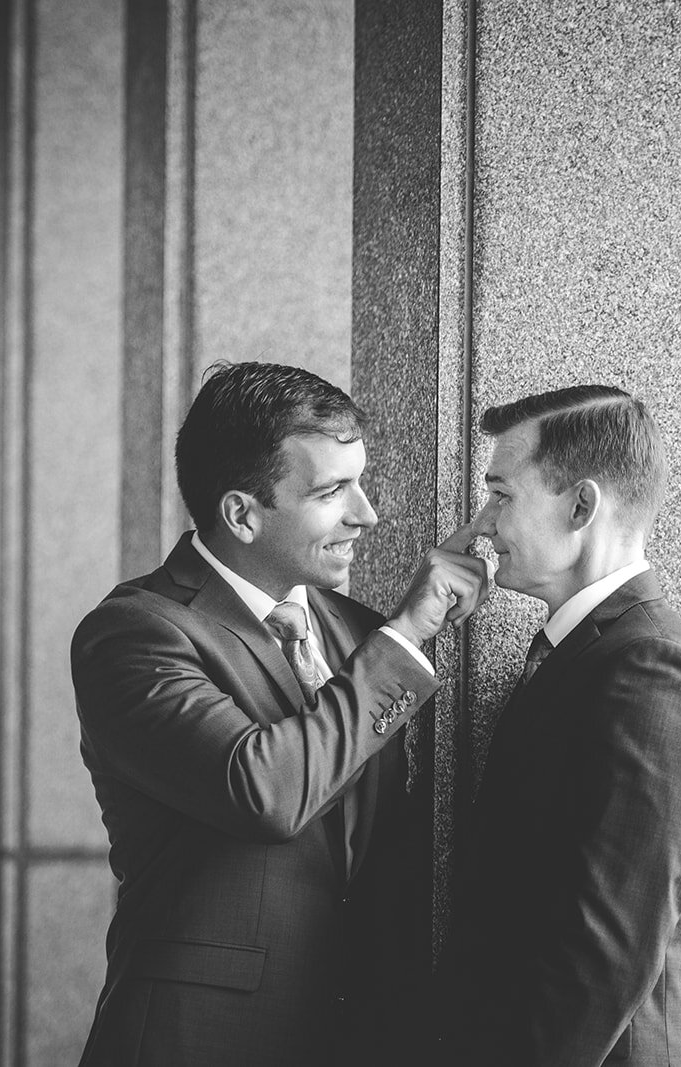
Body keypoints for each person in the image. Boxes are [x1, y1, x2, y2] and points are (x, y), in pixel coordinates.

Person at [71, 361, 487, 1067]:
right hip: (198, 1039)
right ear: (241, 513)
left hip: (360, 1036)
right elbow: (264, 790)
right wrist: (409, 633)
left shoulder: (356, 630)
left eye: (360, 481)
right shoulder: (135, 632)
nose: (367, 513)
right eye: (332, 491)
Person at [441, 385, 681, 1066]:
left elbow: (607, 944)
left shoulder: (655, 667)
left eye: (501, 495)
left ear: (581, 505)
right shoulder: (590, 652)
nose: (481, 524)